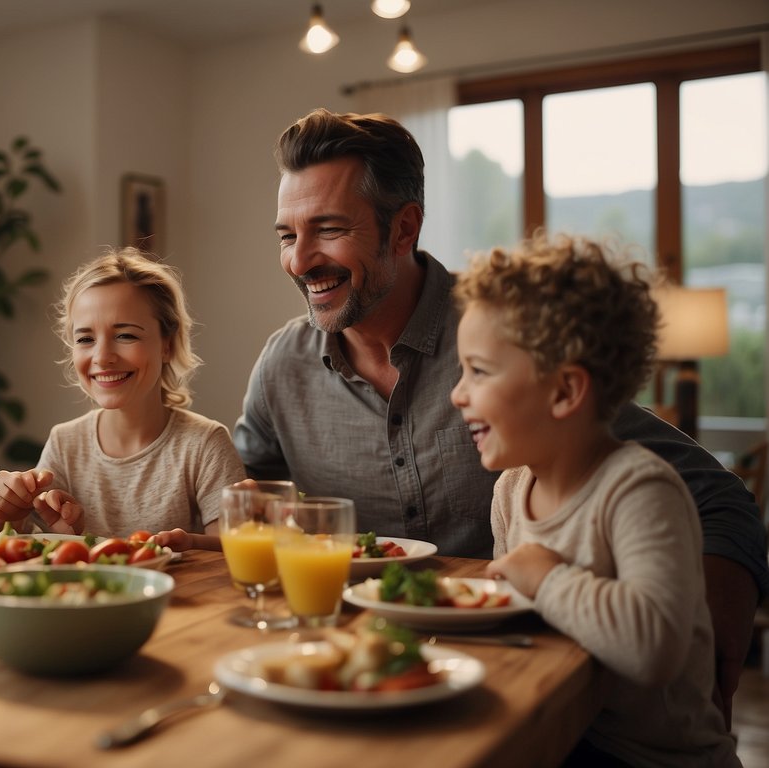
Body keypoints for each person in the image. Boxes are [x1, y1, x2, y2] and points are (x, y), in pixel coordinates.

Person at [234, 107, 768, 723]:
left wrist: (716, 621)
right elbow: (252, 499)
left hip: (509, 682)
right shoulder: (282, 366)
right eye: (285, 235)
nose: (299, 261)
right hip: (354, 672)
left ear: (403, 228)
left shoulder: (505, 337)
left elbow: (716, 498)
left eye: (327, 230)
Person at [452, 234, 738, 766]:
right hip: (567, 736)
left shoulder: (638, 491)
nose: (457, 393)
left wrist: (547, 577)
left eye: (479, 371)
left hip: (657, 760)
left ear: (564, 392)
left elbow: (654, 648)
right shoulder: (512, 491)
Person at [0, 247, 245, 537]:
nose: (102, 357)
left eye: (125, 335)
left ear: (167, 344)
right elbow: (19, 549)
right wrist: (5, 515)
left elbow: (232, 554)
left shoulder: (205, 445)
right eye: (86, 338)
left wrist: (185, 545)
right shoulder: (65, 444)